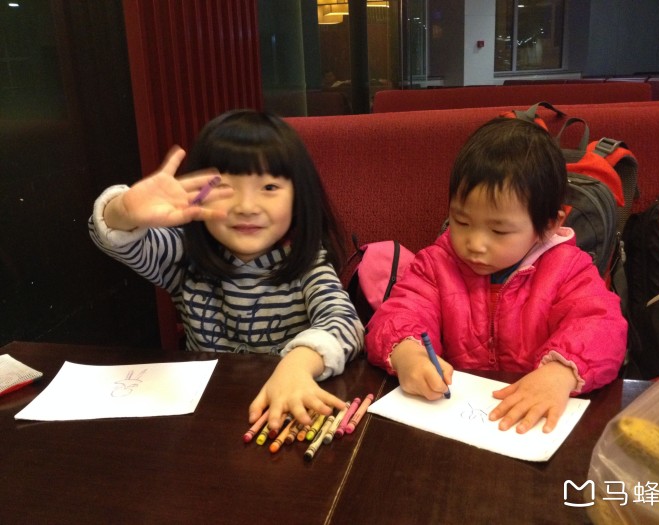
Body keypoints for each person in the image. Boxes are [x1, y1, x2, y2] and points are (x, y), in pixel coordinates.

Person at [89, 109, 364, 431]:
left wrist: (298, 365)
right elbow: (119, 242)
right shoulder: (185, 256)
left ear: (298, 198)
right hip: (206, 416)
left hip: (283, 415)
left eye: (269, 187)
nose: (246, 207)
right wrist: (125, 211)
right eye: (225, 188)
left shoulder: (307, 263)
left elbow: (345, 323)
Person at [365, 117, 627, 434]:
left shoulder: (569, 269)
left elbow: (602, 324)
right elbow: (400, 312)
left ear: (549, 225)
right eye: (462, 222)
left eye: (499, 230)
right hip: (456, 421)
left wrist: (560, 373)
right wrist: (407, 352)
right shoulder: (435, 264)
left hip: (533, 426)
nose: (475, 244)